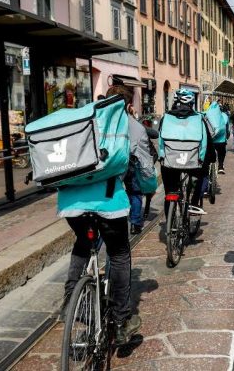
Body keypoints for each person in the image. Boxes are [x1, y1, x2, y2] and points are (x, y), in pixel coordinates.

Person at [59, 86, 154, 344]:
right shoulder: (131, 125)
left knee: (83, 243)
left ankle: (69, 301)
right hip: (109, 201)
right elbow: (145, 167)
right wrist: (149, 190)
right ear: (126, 104)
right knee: (119, 253)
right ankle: (122, 320)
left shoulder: (83, 116)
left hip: (72, 202)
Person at [158, 89, 215, 217]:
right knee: (203, 174)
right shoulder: (199, 118)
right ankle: (194, 203)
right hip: (193, 161)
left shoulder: (165, 118)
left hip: (169, 163)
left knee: (169, 191)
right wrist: (212, 157)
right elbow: (208, 142)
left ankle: (170, 222)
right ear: (192, 103)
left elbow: (161, 143)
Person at [107, 86, 155, 235]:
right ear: (128, 106)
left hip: (108, 164)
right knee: (135, 192)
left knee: (110, 192)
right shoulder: (136, 126)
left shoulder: (99, 121)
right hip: (131, 163)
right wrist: (149, 176)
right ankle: (135, 223)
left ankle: (110, 220)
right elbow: (144, 154)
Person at [214, 104, 232, 174]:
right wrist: (227, 136)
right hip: (221, 140)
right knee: (221, 153)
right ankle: (220, 167)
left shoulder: (208, 115)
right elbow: (227, 128)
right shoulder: (224, 116)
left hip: (211, 140)